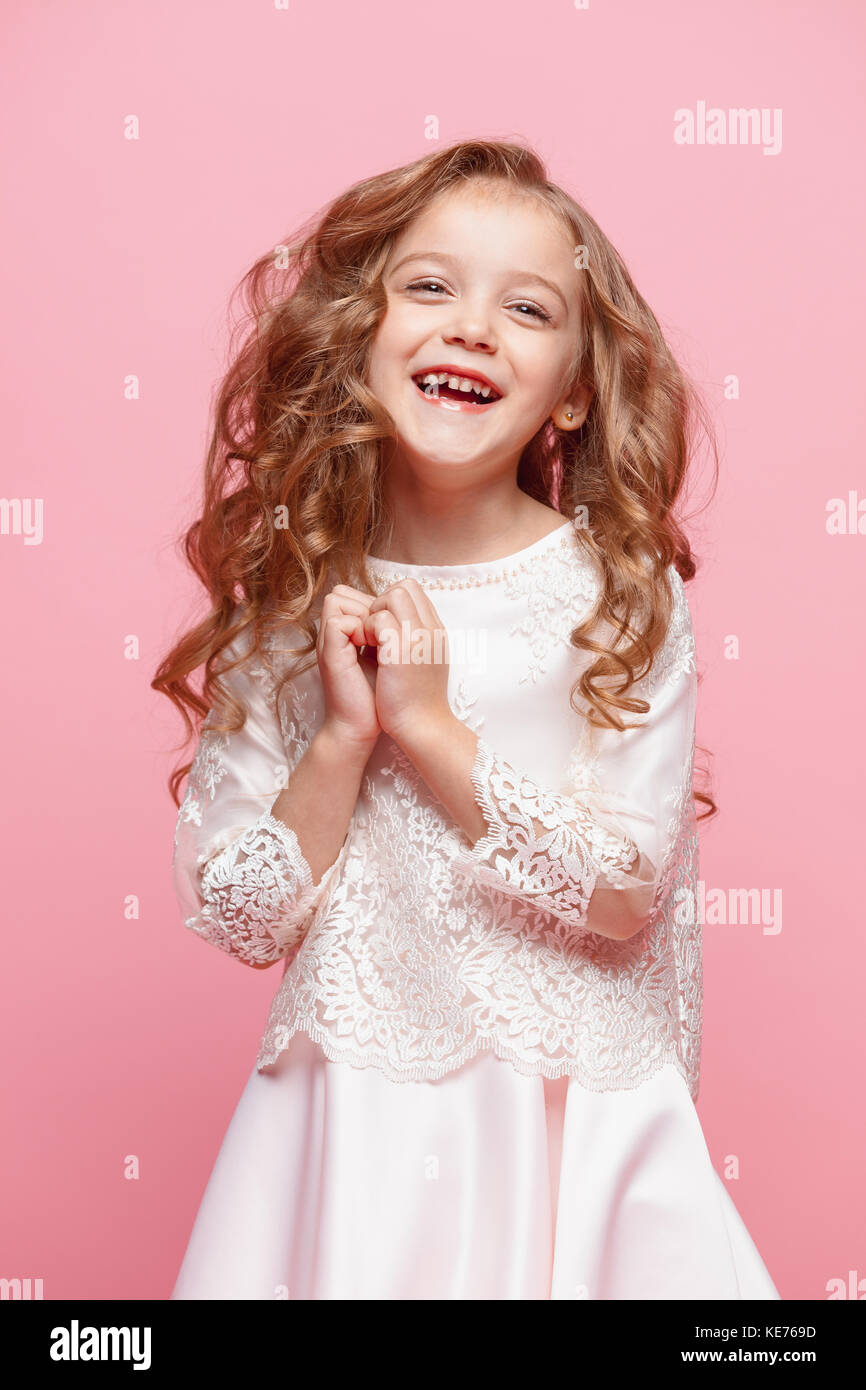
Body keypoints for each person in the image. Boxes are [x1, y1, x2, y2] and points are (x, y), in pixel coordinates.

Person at [155, 139, 780, 1300]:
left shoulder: (615, 591)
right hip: (348, 1123)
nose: (472, 327)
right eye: (429, 286)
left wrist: (431, 730)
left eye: (527, 307)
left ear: (578, 386)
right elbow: (243, 915)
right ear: (358, 334)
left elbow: (623, 888)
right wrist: (343, 739)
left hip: (560, 1117)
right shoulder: (293, 597)